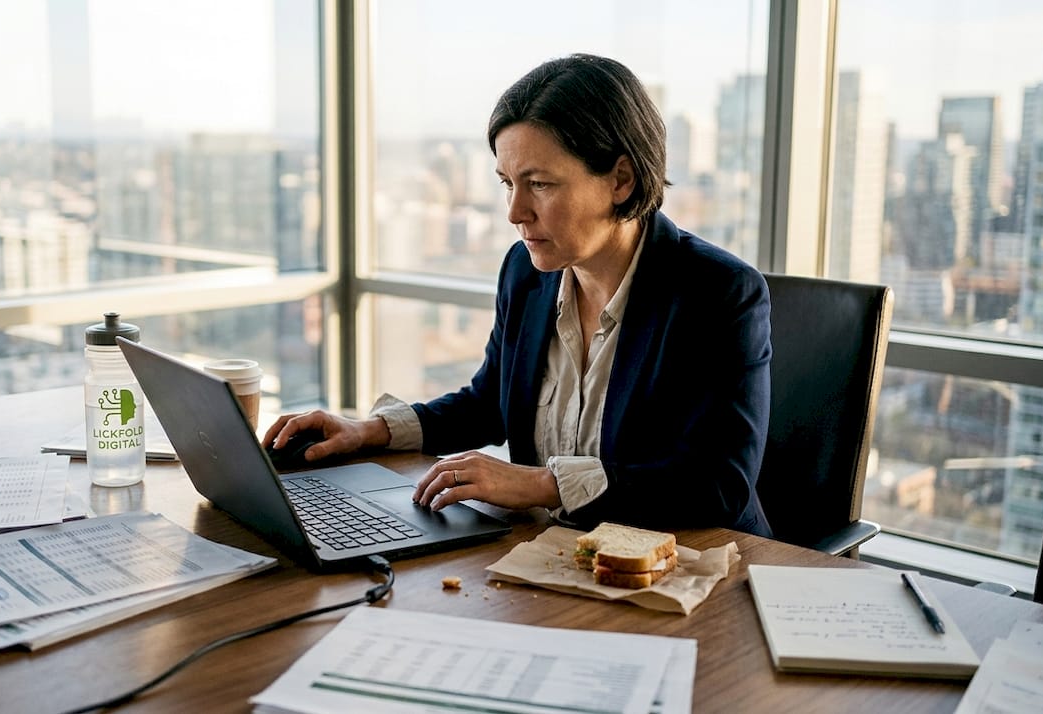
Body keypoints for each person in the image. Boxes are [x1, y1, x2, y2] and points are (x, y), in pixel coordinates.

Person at [263, 53, 773, 536]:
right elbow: (490, 403)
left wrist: (542, 485)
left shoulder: (718, 293)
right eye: (507, 183)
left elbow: (719, 485)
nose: (515, 212)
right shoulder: (526, 272)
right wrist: (368, 431)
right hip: (555, 554)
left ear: (621, 179)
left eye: (540, 184)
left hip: (693, 565)